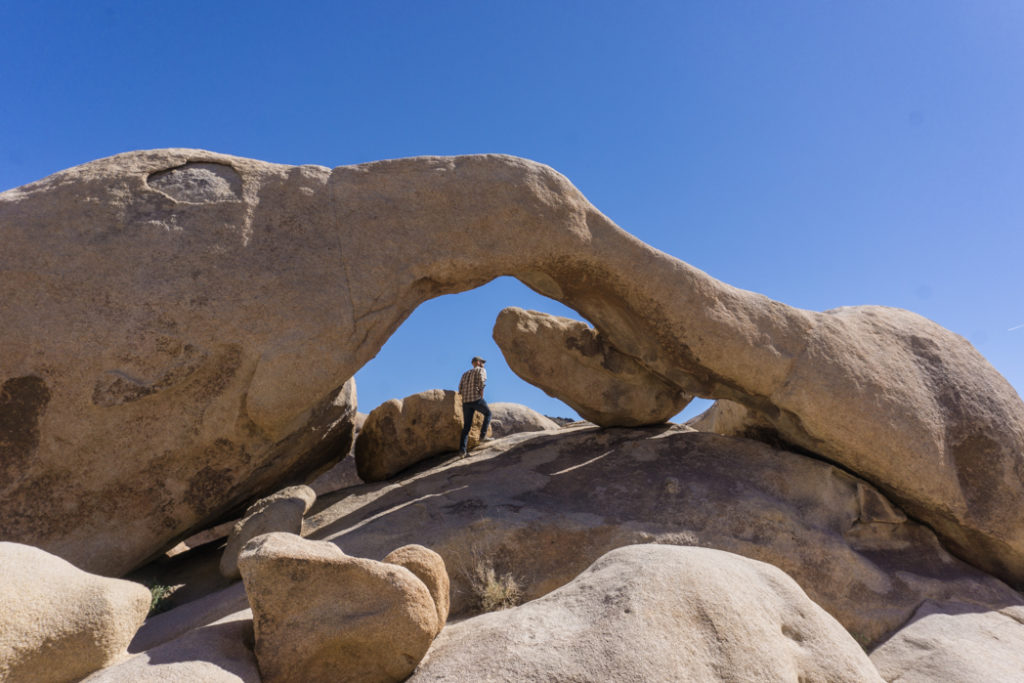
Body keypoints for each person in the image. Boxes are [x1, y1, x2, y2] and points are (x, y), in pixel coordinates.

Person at [458, 356, 492, 455]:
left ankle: (462, 451)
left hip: (466, 402)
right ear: (477, 362)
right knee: (488, 413)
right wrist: (481, 396)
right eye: (482, 362)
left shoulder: (465, 374)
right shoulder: (481, 370)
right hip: (476, 399)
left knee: (466, 427)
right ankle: (483, 436)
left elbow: (460, 388)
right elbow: (482, 382)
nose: (484, 364)